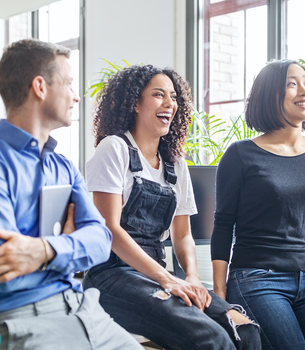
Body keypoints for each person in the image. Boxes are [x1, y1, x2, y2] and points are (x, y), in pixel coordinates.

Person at [0, 39, 141, 350]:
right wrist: (72, 249)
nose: (76, 97)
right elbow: (8, 275)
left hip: (84, 310)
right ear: (40, 87)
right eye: (69, 84)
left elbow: (101, 242)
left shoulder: (63, 166)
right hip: (20, 320)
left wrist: (46, 250)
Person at [84, 64, 260, 350]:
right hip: (112, 276)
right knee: (211, 337)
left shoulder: (175, 163)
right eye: (158, 95)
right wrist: (167, 279)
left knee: (243, 329)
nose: (170, 103)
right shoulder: (114, 148)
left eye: (174, 97)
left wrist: (191, 276)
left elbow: (182, 235)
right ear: (134, 103)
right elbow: (110, 229)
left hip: (156, 274)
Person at [210, 59, 305, 350]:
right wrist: (220, 296)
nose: (303, 90)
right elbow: (222, 224)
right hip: (254, 277)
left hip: (304, 276)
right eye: (291, 84)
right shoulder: (241, 154)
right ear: (270, 95)